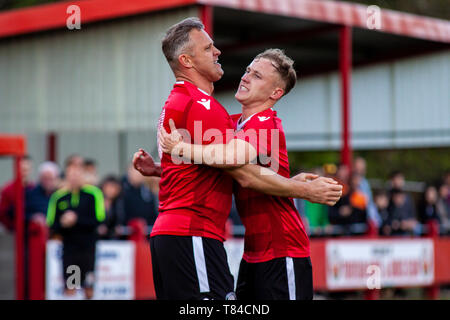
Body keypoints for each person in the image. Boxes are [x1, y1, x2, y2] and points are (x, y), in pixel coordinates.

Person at [132, 18, 342, 300]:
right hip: (252, 252)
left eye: (257, 76)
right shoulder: (230, 121)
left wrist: (180, 151)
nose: (245, 76)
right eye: (248, 70)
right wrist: (163, 168)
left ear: (275, 93)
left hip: (283, 248)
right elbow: (219, 167)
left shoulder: (266, 123)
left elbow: (236, 166)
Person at [46, 155, 105, 299]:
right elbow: (51, 223)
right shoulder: (59, 197)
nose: (74, 177)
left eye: (77, 173)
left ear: (83, 174)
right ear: (66, 175)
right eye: (70, 174)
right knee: (71, 286)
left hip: (88, 250)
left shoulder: (93, 194)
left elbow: (99, 220)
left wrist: (76, 220)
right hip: (70, 250)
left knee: (89, 289)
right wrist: (63, 223)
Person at [0, 155, 34, 231]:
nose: (24, 173)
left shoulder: (34, 189)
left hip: (31, 233)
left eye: (26, 170)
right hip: (14, 233)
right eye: (22, 169)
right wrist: (13, 227)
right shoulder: (8, 190)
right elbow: (2, 213)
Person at [353, 157, 381, 227]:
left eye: (362, 169)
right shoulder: (349, 185)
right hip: (355, 222)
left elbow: (369, 203)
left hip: (365, 221)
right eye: (357, 169)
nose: (359, 171)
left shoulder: (365, 183)